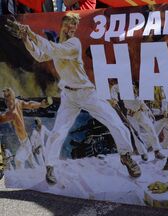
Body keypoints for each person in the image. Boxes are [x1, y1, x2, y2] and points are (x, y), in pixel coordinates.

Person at [6, 13, 141, 184]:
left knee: (115, 122)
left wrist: (30, 33)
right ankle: (50, 167)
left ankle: (126, 156)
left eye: (74, 26)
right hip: (68, 95)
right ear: (62, 25)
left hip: (87, 93)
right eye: (69, 24)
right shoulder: (58, 45)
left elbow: (51, 49)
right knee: (57, 132)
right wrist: (26, 38)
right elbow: (40, 55)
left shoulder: (73, 44)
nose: (72, 28)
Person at [0, 88, 50, 169]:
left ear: (11, 98)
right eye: (6, 100)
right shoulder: (18, 102)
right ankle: (42, 174)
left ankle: (21, 178)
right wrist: (40, 104)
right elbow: (29, 104)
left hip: (25, 144)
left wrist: (40, 104)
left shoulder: (12, 113)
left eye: (8, 99)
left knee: (18, 160)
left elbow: (2, 118)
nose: (7, 103)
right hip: (25, 141)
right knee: (33, 164)